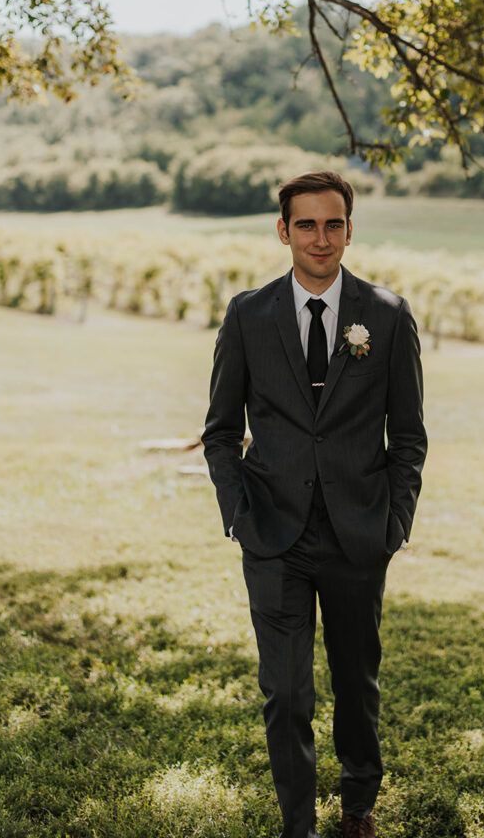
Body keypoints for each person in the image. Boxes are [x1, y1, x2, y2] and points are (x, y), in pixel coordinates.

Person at [202, 170, 427, 838]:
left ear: (349, 230)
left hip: (360, 532)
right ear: (283, 231)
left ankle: (358, 804)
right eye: (306, 224)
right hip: (272, 535)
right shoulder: (248, 315)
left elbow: (407, 436)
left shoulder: (386, 316)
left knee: (356, 686)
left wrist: (395, 520)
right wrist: (239, 511)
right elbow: (218, 431)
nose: (320, 238)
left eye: (333, 224)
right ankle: (295, 823)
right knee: (286, 693)